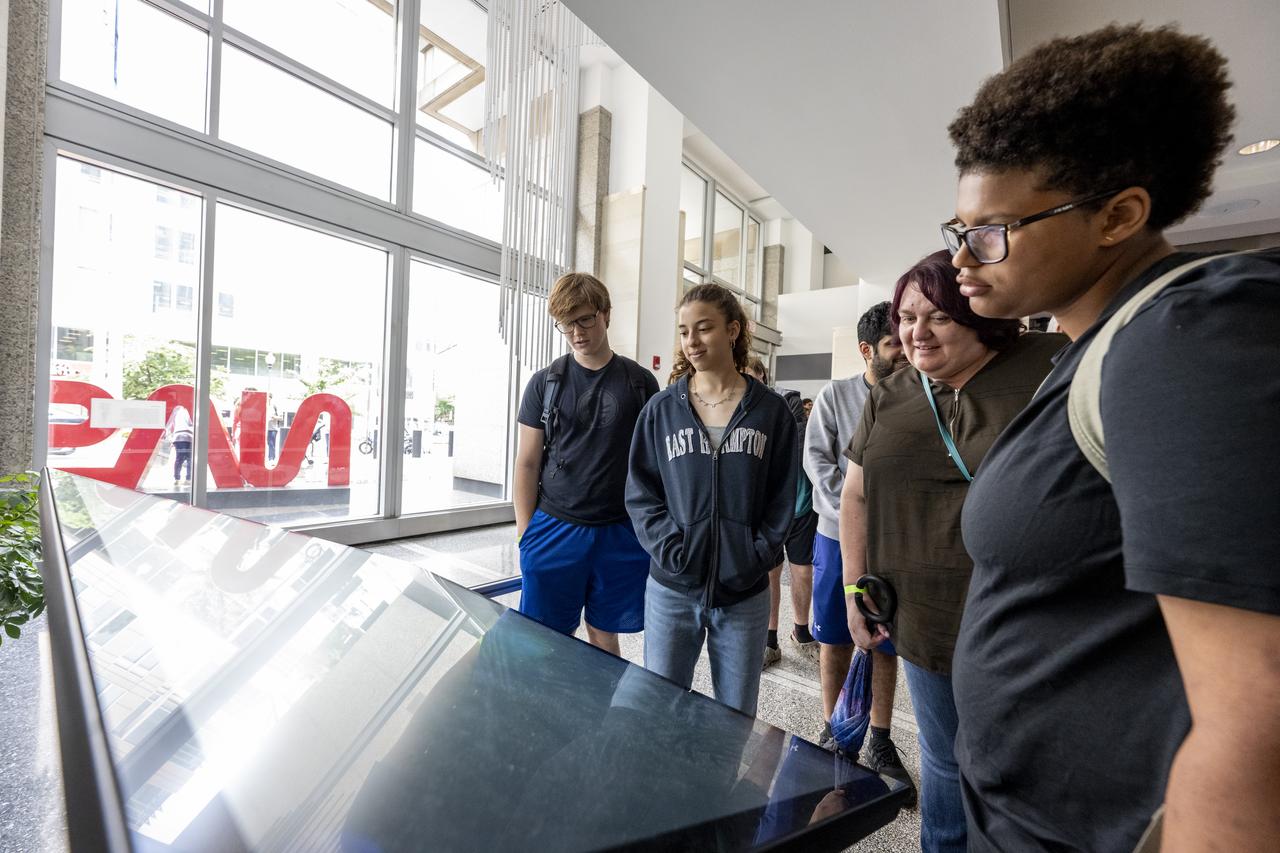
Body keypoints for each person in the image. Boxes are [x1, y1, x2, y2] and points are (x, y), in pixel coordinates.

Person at [944, 24, 1280, 852]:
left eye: (992, 231)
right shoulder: (1092, 346)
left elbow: (1258, 716)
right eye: (960, 231)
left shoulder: (1183, 337)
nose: (963, 258)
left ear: (1118, 215)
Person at [841, 251, 1064, 853]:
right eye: (907, 317)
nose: (917, 332)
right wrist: (854, 589)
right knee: (943, 759)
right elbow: (855, 495)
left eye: (938, 316)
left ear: (979, 315)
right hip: (923, 620)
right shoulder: (891, 392)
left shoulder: (1047, 367)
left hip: (1027, 624)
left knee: (1022, 769)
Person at [626, 283, 797, 716]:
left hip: (744, 594)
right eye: (685, 331)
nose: (692, 341)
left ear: (733, 330)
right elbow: (641, 493)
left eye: (704, 328)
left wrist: (756, 554)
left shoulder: (771, 412)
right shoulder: (662, 410)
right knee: (659, 708)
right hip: (672, 589)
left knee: (735, 714)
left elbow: (783, 494)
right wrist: (672, 550)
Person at [513, 272, 659, 654]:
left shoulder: (641, 383)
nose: (576, 332)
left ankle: (602, 697)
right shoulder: (545, 383)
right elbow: (527, 463)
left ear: (606, 314)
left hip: (619, 531)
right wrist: (526, 535)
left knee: (603, 634)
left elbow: (653, 465)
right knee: (543, 639)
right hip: (555, 527)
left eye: (585, 319)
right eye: (566, 324)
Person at [802, 301, 912, 790]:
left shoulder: (919, 393)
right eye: (893, 343)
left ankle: (880, 738)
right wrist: (852, 517)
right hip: (835, 537)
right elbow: (817, 462)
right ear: (867, 350)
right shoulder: (836, 396)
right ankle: (835, 732)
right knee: (835, 638)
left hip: (895, 544)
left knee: (885, 639)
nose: (904, 350)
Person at [743, 356, 818, 669]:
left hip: (800, 506)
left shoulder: (788, 401)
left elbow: (797, 447)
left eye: (752, 374)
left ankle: (801, 632)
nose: (748, 380)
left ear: (762, 375)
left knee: (802, 571)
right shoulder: (739, 410)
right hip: (769, 511)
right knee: (771, 573)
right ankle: (769, 640)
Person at [165, 405, 194, 486]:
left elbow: (169, 425)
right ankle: (188, 479)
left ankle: (177, 479)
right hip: (189, 437)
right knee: (189, 459)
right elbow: (192, 424)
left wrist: (170, 438)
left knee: (179, 459)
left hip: (178, 437)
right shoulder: (190, 410)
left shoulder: (176, 410)